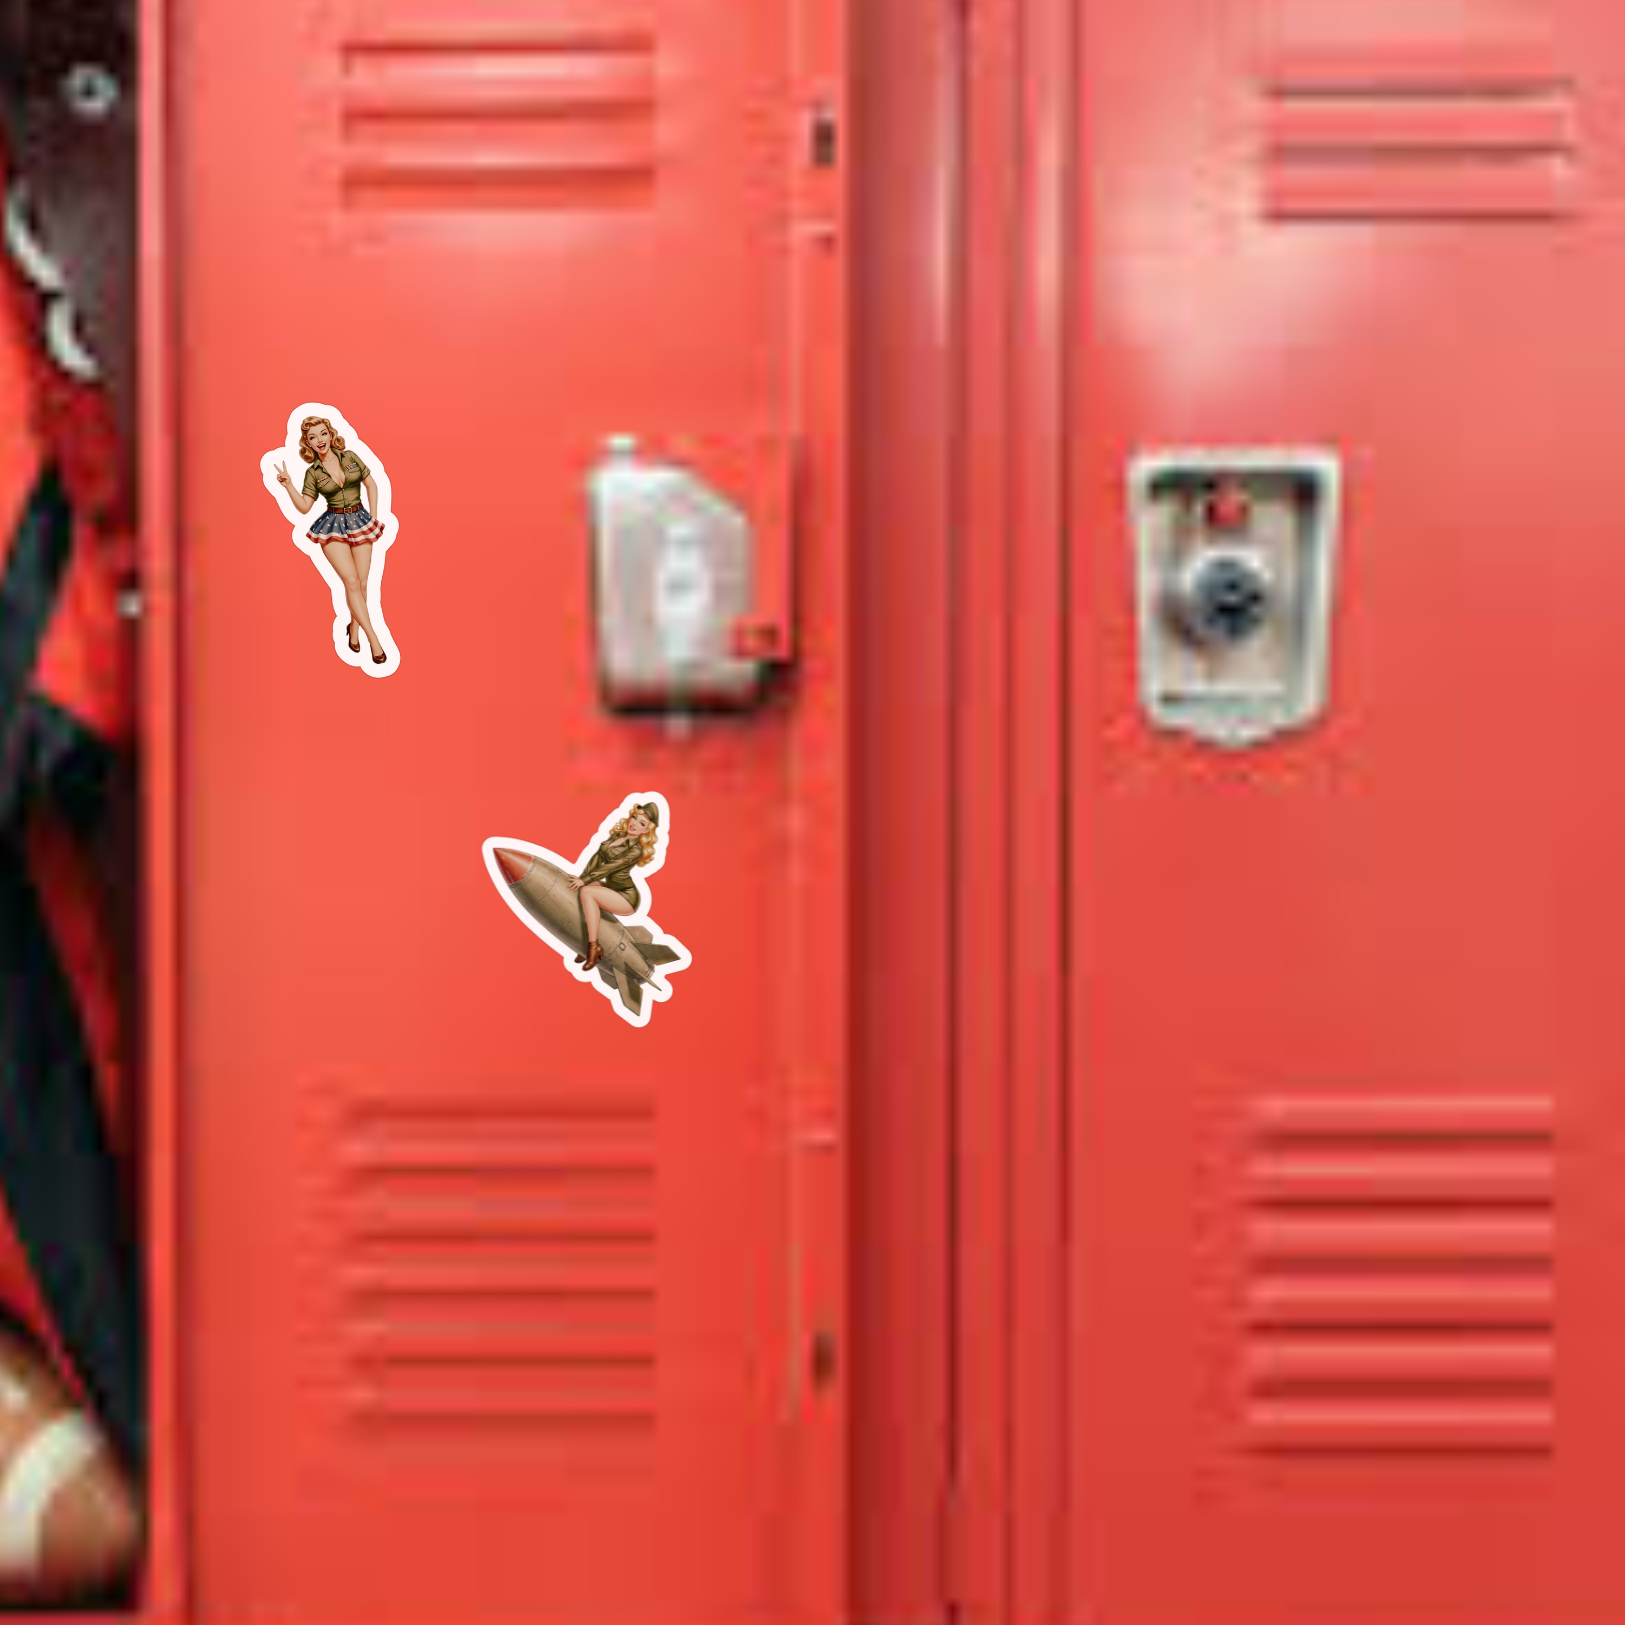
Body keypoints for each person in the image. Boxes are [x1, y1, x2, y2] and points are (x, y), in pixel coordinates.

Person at [271, 415, 389, 664]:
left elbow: (372, 485)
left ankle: (354, 630)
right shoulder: (312, 473)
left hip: (359, 519)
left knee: (363, 583)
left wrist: (374, 519)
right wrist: (288, 485)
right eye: (312, 437)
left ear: (331, 434)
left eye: (322, 433)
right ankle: (374, 640)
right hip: (332, 526)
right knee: (351, 582)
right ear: (308, 444)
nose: (319, 439)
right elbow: (304, 507)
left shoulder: (350, 457)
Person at [567, 803, 659, 972]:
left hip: (627, 897)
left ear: (646, 831)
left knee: (588, 892)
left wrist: (585, 880)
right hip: (611, 888)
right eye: (634, 818)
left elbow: (611, 867)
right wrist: (583, 878)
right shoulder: (616, 836)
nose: (634, 823)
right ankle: (590, 939)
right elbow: (597, 858)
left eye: (642, 823)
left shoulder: (636, 850)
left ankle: (593, 947)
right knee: (585, 888)